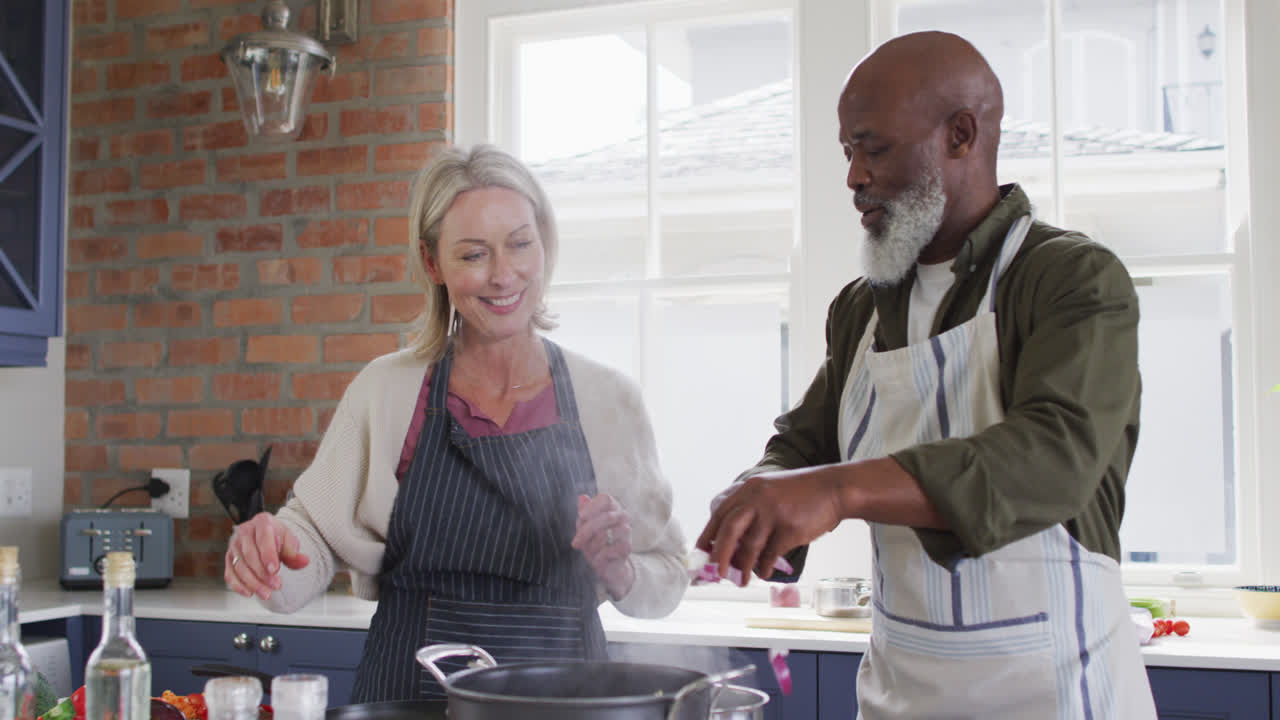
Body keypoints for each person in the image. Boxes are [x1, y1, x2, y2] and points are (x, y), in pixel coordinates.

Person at [697, 31, 1157, 718]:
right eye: (848, 152)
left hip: (1058, 693)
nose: (854, 178)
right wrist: (760, 501)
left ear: (961, 135)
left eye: (874, 148)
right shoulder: (861, 308)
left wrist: (836, 490)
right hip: (901, 693)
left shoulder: (1069, 279)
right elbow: (805, 445)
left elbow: (1054, 456)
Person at [223, 144, 687, 701]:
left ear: (544, 243)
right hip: (409, 697)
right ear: (432, 263)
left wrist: (620, 572)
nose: (503, 275)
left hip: (564, 702)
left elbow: (667, 572)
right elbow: (312, 542)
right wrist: (272, 550)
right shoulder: (387, 389)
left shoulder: (608, 400)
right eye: (473, 255)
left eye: (520, 244)